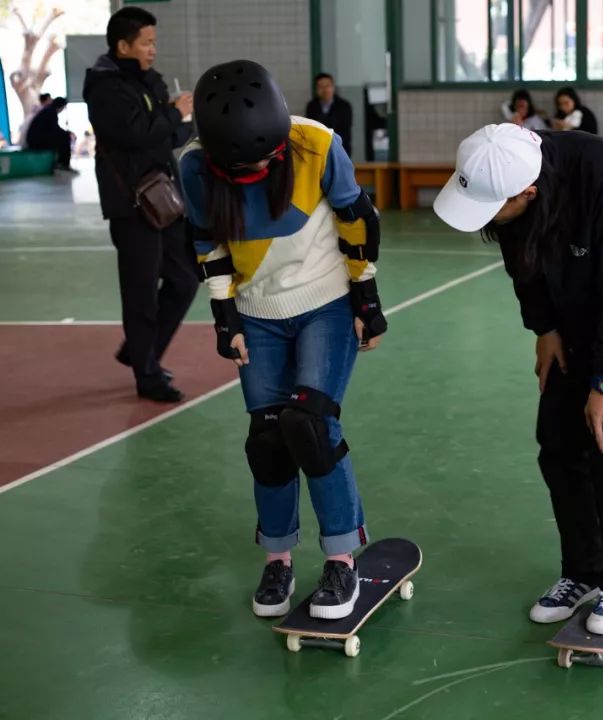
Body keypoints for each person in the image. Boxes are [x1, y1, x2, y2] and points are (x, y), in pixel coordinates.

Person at [433, 124, 603, 635]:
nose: (490, 221)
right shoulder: (503, 169)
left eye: (495, 209)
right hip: (574, 278)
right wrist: (545, 328)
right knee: (557, 434)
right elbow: (521, 259)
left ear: (527, 192)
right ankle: (584, 570)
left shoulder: (602, 175)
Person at [180, 60, 388, 619]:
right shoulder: (196, 167)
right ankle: (278, 559)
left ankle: (342, 560)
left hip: (326, 302)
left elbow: (356, 217)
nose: (254, 171)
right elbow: (206, 242)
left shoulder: (314, 142)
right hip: (257, 313)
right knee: (269, 439)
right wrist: (225, 316)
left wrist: (367, 301)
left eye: (263, 161)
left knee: (312, 427)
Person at [83, 7, 199, 402]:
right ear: (123, 45)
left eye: (153, 42)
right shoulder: (106, 89)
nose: (153, 49)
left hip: (163, 199)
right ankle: (147, 376)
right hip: (131, 206)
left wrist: (179, 118)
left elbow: (168, 137)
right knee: (141, 293)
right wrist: (172, 114)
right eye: (146, 43)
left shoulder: (150, 82)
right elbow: (135, 134)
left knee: (184, 280)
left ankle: (139, 351)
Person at [305, 73, 354, 157]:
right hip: (318, 152)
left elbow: (343, 130)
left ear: (333, 87)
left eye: (328, 86)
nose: (325, 90)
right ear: (316, 90)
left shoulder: (344, 106)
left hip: (340, 150)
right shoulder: (312, 106)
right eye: (321, 87)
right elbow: (311, 130)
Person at [25, 96, 76, 173]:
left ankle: (59, 162)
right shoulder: (51, 111)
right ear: (61, 106)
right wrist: (67, 133)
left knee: (62, 137)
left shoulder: (48, 110)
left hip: (34, 139)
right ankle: (63, 164)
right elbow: (54, 129)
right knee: (65, 137)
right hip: (36, 141)